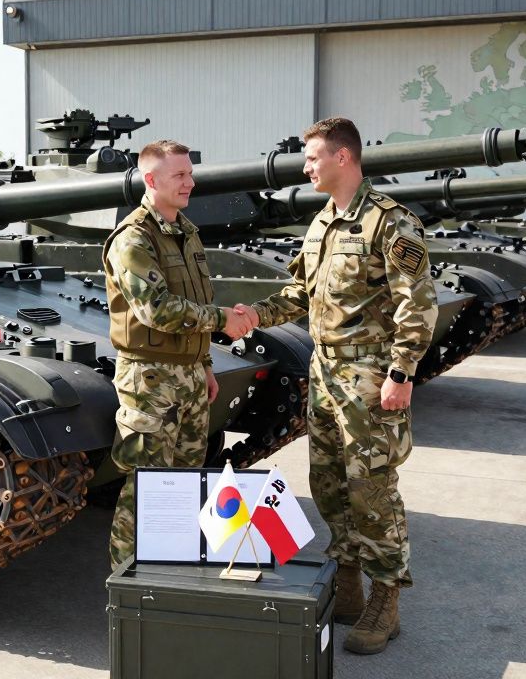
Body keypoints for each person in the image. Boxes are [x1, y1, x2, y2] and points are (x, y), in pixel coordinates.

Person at [234, 117, 437, 654]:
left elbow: (417, 305)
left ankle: (385, 599)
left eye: (313, 157)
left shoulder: (389, 223)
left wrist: (401, 374)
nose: (305, 167)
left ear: (342, 158)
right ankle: (346, 584)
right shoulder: (324, 221)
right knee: (327, 481)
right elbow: (300, 291)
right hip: (324, 372)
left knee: (372, 488)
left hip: (370, 376)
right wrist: (252, 315)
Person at [103, 139, 253, 569]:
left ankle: (171, 574)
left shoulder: (185, 232)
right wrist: (222, 320)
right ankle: (127, 584)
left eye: (190, 173)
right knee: (146, 488)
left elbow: (195, 297)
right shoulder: (133, 238)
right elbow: (155, 310)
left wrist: (203, 363)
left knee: (186, 484)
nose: (190, 182)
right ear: (151, 180)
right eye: (180, 175)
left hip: (187, 376)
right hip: (149, 381)